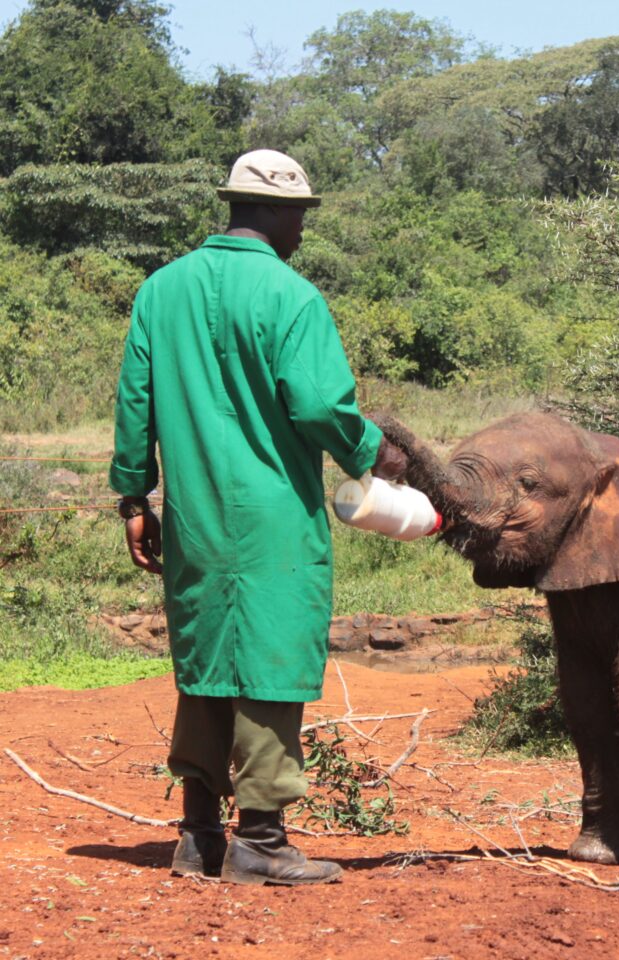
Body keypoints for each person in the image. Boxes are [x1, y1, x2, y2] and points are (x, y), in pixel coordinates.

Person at [109, 149, 406, 886]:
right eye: (299, 216)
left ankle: (199, 836)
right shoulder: (292, 297)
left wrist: (133, 496)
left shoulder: (161, 292)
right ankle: (263, 842)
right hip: (274, 515)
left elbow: (135, 404)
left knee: (206, 661)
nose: (302, 231)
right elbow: (316, 406)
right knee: (272, 663)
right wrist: (374, 452)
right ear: (272, 213)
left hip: (197, 514)